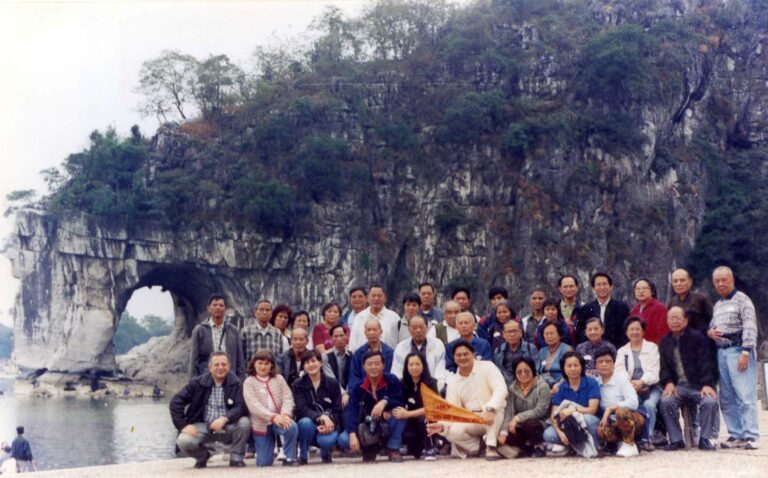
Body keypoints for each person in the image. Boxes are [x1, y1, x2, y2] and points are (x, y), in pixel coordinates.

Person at [426, 341, 509, 460]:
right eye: (458, 355)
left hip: (492, 413)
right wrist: (442, 425)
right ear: (454, 358)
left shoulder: (488, 367)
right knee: (451, 431)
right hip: (471, 418)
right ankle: (480, 447)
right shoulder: (453, 381)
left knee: (495, 412)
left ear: (473, 354)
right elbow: (452, 409)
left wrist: (490, 408)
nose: (462, 357)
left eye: (466, 354)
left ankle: (491, 447)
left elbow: (501, 389)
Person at [170, 352, 251, 468]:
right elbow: (176, 402)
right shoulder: (197, 383)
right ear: (209, 367)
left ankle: (236, 458)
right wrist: (183, 425)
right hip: (203, 426)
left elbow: (241, 407)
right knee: (183, 441)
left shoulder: (237, 384)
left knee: (245, 423)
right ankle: (203, 456)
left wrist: (225, 418)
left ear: (229, 366)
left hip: (228, 426)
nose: (220, 367)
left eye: (224, 364)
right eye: (216, 364)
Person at [709, 266, 760, 450]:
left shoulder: (743, 300)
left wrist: (746, 352)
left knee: (745, 395)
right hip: (722, 353)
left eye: (724, 280)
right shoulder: (718, 305)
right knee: (727, 397)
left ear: (732, 280)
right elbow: (712, 326)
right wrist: (709, 332)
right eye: (717, 281)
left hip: (739, 350)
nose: (721, 284)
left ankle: (751, 435)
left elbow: (750, 326)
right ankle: (736, 433)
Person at [658, 306, 719, 451]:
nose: (674, 321)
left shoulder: (698, 337)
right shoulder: (665, 341)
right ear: (667, 321)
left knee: (710, 402)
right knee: (666, 402)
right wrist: (668, 382)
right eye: (671, 318)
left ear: (685, 320)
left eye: (678, 318)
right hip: (678, 386)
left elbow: (707, 362)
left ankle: (705, 439)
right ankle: (676, 439)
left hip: (698, 385)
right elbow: (664, 367)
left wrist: (707, 383)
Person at [345, 350, 407, 462]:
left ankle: (393, 448)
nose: (373, 367)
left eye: (377, 363)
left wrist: (385, 402)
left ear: (383, 365)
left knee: (400, 414)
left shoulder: (392, 380)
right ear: (364, 367)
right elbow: (352, 411)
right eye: (369, 364)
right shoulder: (358, 387)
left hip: (389, 420)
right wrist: (352, 434)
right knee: (344, 439)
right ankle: (370, 449)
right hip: (368, 424)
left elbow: (401, 400)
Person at [242, 350, 299, 466]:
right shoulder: (249, 382)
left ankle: (289, 457)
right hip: (261, 424)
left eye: (267, 363)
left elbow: (287, 397)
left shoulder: (279, 379)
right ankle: (267, 448)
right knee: (264, 462)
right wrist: (273, 417)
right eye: (260, 363)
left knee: (291, 426)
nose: (263, 367)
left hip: (280, 419)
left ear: (272, 365)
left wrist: (285, 414)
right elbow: (254, 405)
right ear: (254, 364)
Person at [293, 350, 349, 464]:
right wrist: (320, 417)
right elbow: (301, 408)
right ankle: (303, 455)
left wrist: (330, 422)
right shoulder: (298, 384)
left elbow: (337, 408)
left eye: (314, 361)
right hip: (309, 423)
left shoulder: (332, 383)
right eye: (307, 362)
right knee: (305, 423)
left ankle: (326, 451)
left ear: (320, 363)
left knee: (327, 441)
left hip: (329, 423)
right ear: (304, 366)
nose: (311, 365)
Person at [615, 316, 661, 452]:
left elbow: (654, 371)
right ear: (626, 332)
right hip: (630, 387)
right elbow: (619, 370)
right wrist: (629, 384)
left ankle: (648, 438)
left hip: (651, 387)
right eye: (631, 329)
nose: (634, 332)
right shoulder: (622, 351)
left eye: (637, 329)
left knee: (649, 405)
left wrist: (641, 381)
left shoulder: (652, 347)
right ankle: (633, 437)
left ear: (643, 331)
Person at [543, 351, 601, 457]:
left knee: (588, 418)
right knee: (548, 434)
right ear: (563, 368)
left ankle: (597, 446)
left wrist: (572, 410)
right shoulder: (561, 388)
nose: (573, 369)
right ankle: (575, 446)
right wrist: (560, 433)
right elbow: (554, 416)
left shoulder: (591, 383)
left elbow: (592, 410)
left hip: (589, 422)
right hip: (570, 425)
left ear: (581, 367)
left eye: (576, 365)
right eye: (569, 366)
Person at [594, 347, 645, 457]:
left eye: (608, 361)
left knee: (620, 412)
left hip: (632, 419)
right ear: (595, 366)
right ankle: (619, 443)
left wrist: (613, 407)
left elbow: (634, 402)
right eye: (600, 362)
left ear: (613, 364)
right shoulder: (596, 383)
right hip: (613, 422)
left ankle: (630, 444)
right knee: (600, 430)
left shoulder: (621, 379)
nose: (604, 364)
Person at [497, 356, 550, 458]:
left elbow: (540, 411)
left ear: (533, 370)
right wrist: (504, 431)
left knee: (531, 425)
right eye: (519, 372)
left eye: (527, 371)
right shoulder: (512, 388)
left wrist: (518, 418)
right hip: (520, 424)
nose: (523, 374)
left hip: (539, 422)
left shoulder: (543, 387)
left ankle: (539, 447)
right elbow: (509, 411)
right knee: (506, 434)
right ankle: (525, 448)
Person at [392, 353, 439, 460]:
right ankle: (412, 447)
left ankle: (430, 447)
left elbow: (432, 407)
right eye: (411, 364)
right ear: (406, 367)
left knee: (423, 420)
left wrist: (408, 414)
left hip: (428, 418)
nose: (414, 367)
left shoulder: (430, 383)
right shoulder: (403, 383)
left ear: (423, 365)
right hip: (412, 420)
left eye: (417, 364)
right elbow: (399, 403)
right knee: (412, 443)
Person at [189, 293, 245, 379]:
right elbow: (194, 360)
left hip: (229, 377)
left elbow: (240, 359)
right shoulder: (200, 330)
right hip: (207, 377)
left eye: (221, 305)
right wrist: (193, 382)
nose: (218, 307)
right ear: (209, 308)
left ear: (225, 308)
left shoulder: (234, 331)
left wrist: (240, 380)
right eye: (215, 305)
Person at [391, 315, 447, 390]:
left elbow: (440, 371)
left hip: (431, 387)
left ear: (427, 328)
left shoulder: (437, 344)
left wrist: (435, 389)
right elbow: (396, 372)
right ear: (409, 329)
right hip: (407, 389)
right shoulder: (401, 347)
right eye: (414, 328)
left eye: (421, 327)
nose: (418, 330)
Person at [576, 272, 630, 346]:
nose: (602, 287)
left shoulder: (622, 307)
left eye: (604, 284)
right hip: (591, 348)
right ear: (593, 288)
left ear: (611, 286)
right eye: (598, 285)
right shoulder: (585, 309)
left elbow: (626, 330)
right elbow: (580, 331)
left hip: (616, 348)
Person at [349, 285, 400, 351]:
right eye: (373, 296)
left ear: (385, 298)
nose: (376, 298)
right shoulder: (359, 317)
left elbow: (399, 343)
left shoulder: (394, 318)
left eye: (379, 296)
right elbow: (352, 344)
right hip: (363, 356)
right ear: (368, 298)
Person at [348, 319, 395, 390]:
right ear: (365, 333)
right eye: (369, 330)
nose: (371, 333)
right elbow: (354, 378)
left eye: (374, 330)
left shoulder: (390, 353)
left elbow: (393, 377)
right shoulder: (358, 353)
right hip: (364, 391)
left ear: (381, 332)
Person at [493, 319, 539, 384]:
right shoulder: (498, 351)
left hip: (527, 381)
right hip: (506, 383)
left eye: (514, 331)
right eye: (509, 332)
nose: (512, 334)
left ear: (520, 333)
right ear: (503, 334)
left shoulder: (530, 348)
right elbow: (497, 372)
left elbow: (536, 370)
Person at [668, 268, 713, 334]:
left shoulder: (700, 299)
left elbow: (713, 320)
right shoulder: (672, 303)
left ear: (690, 282)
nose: (678, 284)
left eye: (682, 280)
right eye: (675, 281)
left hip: (700, 337)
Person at [630, 278, 669, 344]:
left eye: (645, 288)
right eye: (638, 289)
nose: (641, 291)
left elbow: (663, 334)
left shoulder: (660, 309)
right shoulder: (634, 310)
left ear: (652, 291)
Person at [322, 324, 352, 403]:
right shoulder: (325, 356)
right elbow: (331, 377)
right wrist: (343, 394)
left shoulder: (351, 355)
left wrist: (347, 393)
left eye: (341, 335)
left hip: (349, 394)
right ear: (331, 338)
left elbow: (352, 376)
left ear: (346, 336)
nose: (339, 339)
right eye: (336, 336)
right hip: (331, 393)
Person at [538, 322, 572, 387]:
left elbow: (569, 372)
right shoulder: (542, 351)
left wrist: (558, 385)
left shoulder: (566, 350)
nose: (549, 336)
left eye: (552, 333)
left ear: (560, 335)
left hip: (562, 385)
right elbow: (538, 371)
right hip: (544, 385)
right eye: (546, 334)